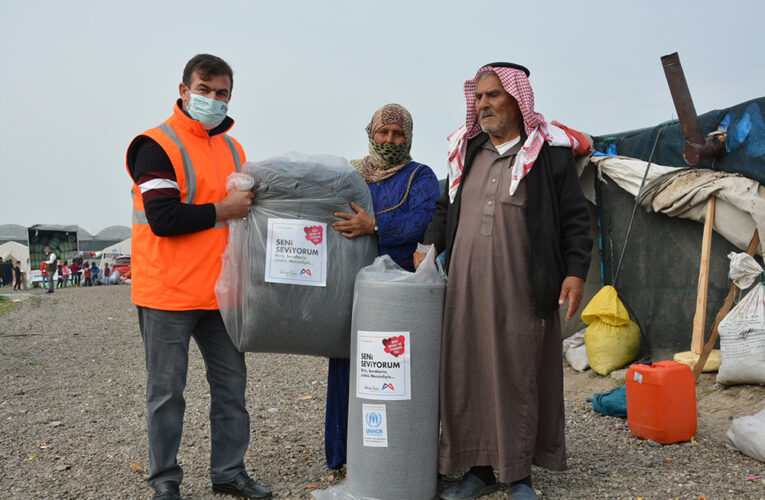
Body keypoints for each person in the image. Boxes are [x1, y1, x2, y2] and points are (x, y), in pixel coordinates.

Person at [414, 63, 592, 500]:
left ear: (518, 99)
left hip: (523, 288)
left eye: (494, 95)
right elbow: (445, 206)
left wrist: (574, 271)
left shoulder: (547, 154)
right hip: (465, 291)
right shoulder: (466, 150)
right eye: (479, 98)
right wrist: (428, 245)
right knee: (466, 371)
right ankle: (478, 470)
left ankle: (518, 476)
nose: (484, 105)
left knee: (518, 373)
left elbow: (575, 218)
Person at [126, 54, 270, 500]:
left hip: (219, 294)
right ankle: (165, 481)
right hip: (166, 292)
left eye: (221, 93)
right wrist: (222, 211)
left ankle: (228, 472)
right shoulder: (154, 145)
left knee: (231, 388)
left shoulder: (234, 149)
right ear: (184, 90)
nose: (212, 99)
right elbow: (164, 217)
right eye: (204, 90)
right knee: (167, 393)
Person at [325, 103, 441, 469]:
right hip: (351, 285)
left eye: (398, 133)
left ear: (409, 137)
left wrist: (373, 227)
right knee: (347, 365)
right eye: (383, 132)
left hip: (397, 291)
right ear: (370, 133)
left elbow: (419, 222)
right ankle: (344, 456)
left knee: (392, 369)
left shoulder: (420, 176)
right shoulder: (351, 175)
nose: (390, 139)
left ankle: (397, 457)